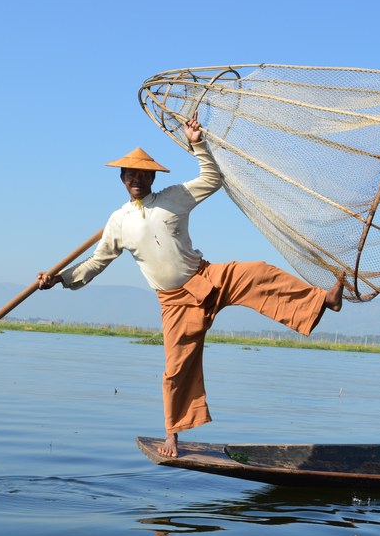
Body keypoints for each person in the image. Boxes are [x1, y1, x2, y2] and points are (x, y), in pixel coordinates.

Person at [37, 117, 345, 457]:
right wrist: (60, 278)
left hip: (207, 277)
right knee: (176, 367)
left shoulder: (174, 198)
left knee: (258, 272)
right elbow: (96, 262)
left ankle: (322, 300)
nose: (136, 180)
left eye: (142, 175)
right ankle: (173, 434)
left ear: (152, 178)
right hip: (174, 303)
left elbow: (213, 179)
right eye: (130, 175)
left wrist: (197, 143)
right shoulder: (117, 221)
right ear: (122, 180)